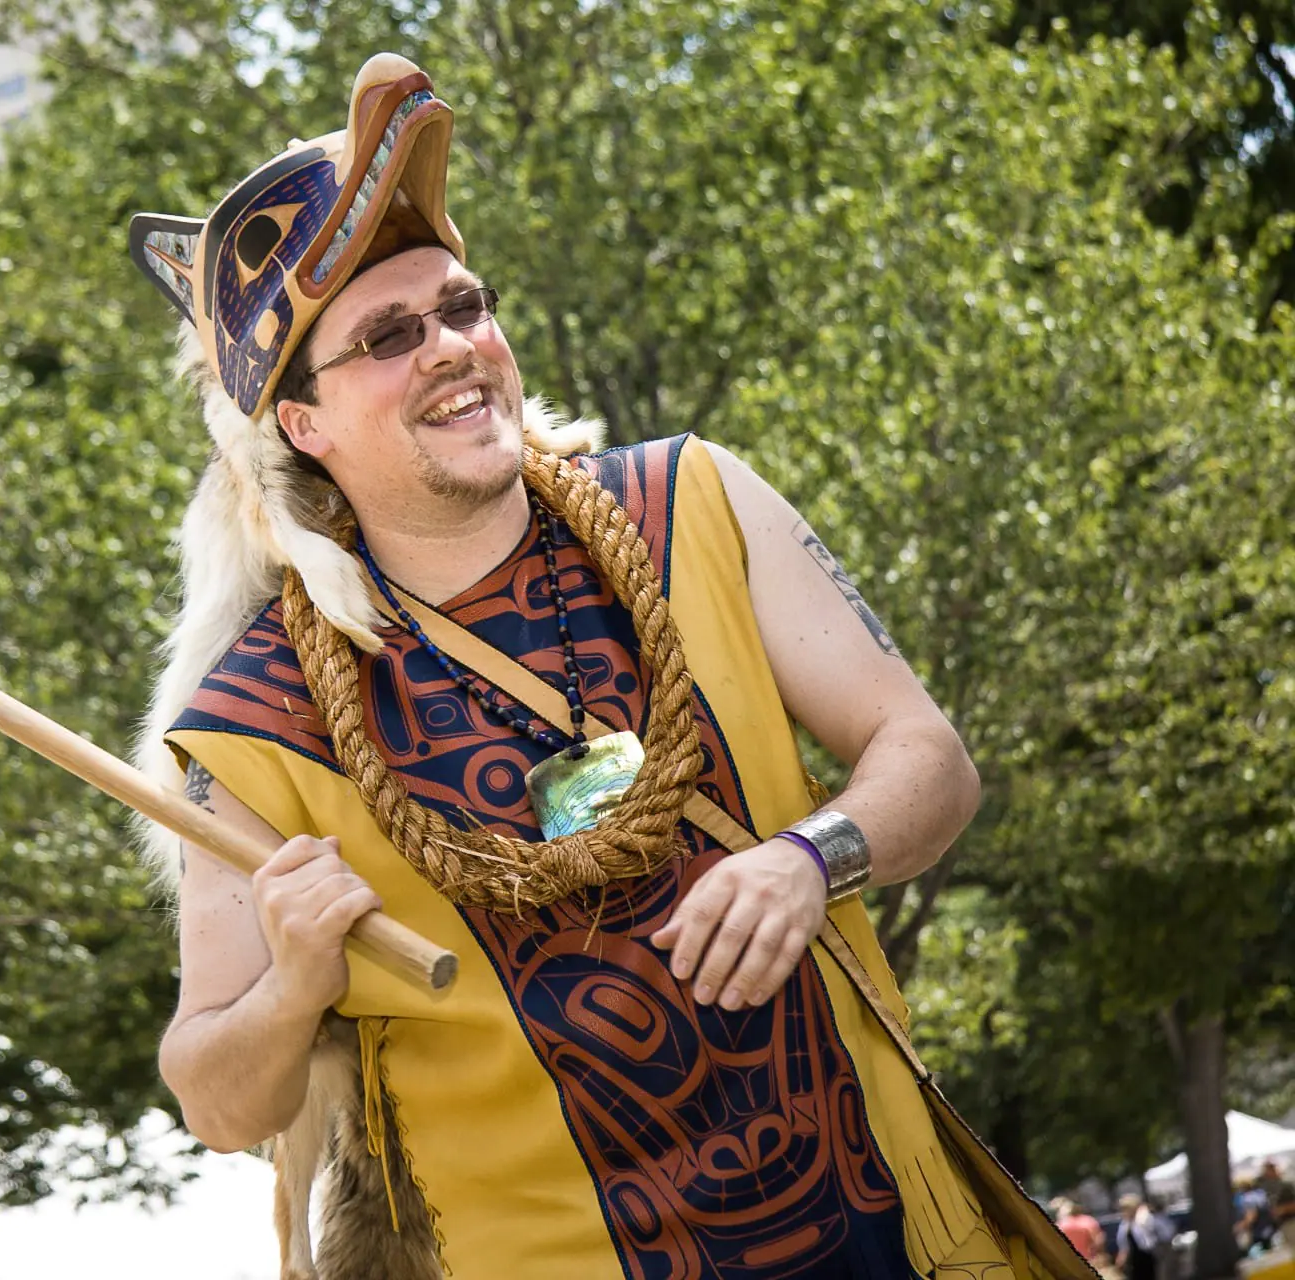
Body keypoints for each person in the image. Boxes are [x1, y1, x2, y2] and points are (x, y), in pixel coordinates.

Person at [130, 52, 1052, 1280]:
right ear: (303, 423)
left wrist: (808, 857)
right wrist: (295, 978)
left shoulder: (694, 505)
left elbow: (928, 761)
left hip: (879, 1238)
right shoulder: (254, 721)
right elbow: (217, 1096)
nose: (454, 348)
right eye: (390, 335)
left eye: (464, 305)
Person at [1054, 1197, 1108, 1267]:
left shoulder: (1062, 1224)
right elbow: (1099, 1241)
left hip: (1069, 1261)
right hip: (1088, 1259)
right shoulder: (1088, 1221)